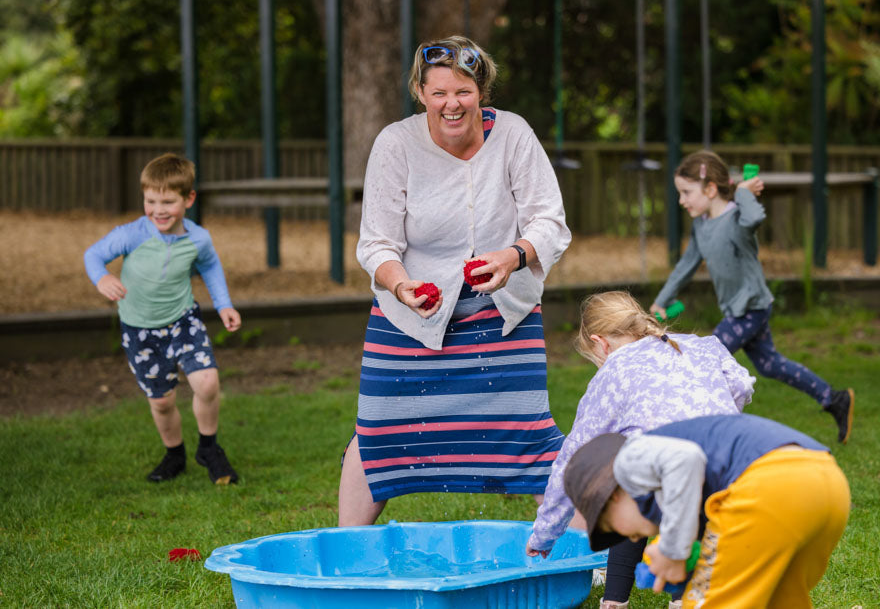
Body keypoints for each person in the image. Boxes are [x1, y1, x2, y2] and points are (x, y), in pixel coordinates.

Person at [343, 35, 572, 526]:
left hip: (504, 315)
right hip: (411, 319)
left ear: (481, 93)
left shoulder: (513, 135)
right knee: (376, 435)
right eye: (439, 92)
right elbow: (376, 242)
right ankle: (346, 554)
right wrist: (401, 286)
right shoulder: (395, 144)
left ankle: (582, 554)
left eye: (464, 92)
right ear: (420, 92)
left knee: (532, 436)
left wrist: (514, 256)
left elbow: (549, 222)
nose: (452, 104)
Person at [526, 290, 754, 609]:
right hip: (731, 468)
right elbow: (742, 386)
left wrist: (544, 534)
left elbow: (571, 461)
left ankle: (615, 601)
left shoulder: (615, 370)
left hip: (671, 474)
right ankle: (684, 598)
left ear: (600, 343)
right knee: (687, 511)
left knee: (628, 491)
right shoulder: (704, 345)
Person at [649, 150, 855, 443]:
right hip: (737, 310)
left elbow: (756, 215)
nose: (681, 201)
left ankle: (704, 432)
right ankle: (834, 399)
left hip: (751, 308)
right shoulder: (701, 225)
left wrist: (743, 192)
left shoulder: (737, 219)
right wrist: (662, 301)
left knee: (708, 360)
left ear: (710, 189)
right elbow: (686, 265)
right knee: (769, 364)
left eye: (686, 192)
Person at [565, 414, 851, 608]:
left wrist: (673, 550)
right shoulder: (679, 492)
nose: (628, 537)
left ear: (614, 496)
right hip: (827, 484)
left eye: (611, 528)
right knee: (779, 599)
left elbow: (686, 459)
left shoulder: (627, 461)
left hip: (772, 486)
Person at [84, 153, 241, 485]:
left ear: (189, 199)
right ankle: (174, 455)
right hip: (140, 330)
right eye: (150, 201)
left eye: (168, 202)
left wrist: (224, 305)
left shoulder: (198, 239)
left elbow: (210, 266)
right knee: (162, 401)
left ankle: (209, 448)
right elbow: (93, 255)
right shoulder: (132, 234)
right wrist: (102, 278)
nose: (158, 210)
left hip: (182, 320)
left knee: (207, 382)